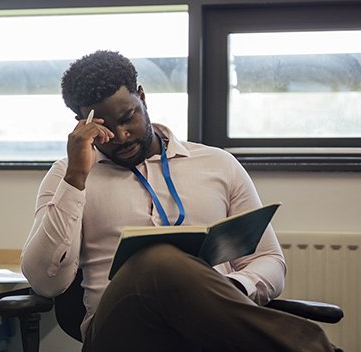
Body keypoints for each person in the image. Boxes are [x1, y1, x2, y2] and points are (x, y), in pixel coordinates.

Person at [21, 50, 338, 351]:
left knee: (173, 273)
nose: (121, 136)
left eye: (128, 117)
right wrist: (76, 178)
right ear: (82, 123)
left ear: (142, 98)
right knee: (157, 260)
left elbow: (270, 261)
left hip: (208, 332)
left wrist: (231, 290)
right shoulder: (70, 176)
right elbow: (44, 283)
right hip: (119, 334)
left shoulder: (217, 164)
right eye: (105, 128)